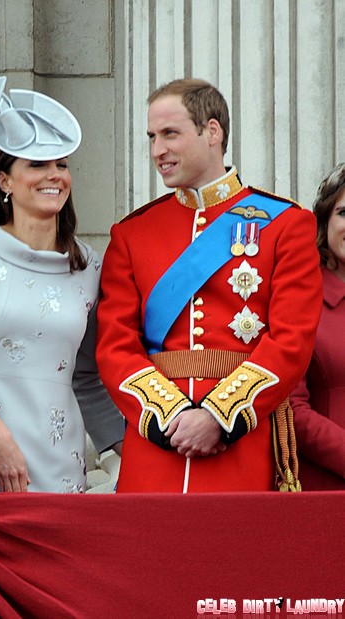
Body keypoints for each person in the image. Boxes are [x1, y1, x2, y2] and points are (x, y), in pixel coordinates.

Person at [96, 78, 323, 493]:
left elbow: (291, 341)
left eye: (170, 134)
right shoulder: (132, 233)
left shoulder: (287, 225)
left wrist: (219, 417)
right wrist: (169, 419)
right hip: (157, 446)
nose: (157, 150)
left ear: (212, 131)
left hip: (241, 443)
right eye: (151, 137)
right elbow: (115, 346)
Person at [0, 76, 123, 494]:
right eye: (37, 164)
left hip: (62, 461)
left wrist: (125, 452)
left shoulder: (89, 264)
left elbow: (87, 376)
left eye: (61, 164)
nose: (54, 175)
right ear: (5, 181)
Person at [290, 163, 345, 490]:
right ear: (325, 222)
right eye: (344, 213)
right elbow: (291, 410)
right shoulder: (303, 299)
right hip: (328, 487)